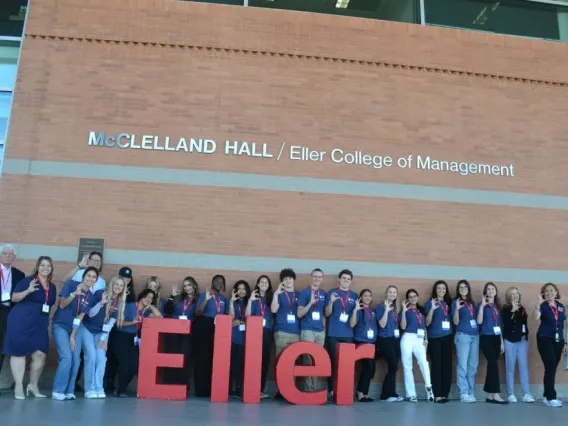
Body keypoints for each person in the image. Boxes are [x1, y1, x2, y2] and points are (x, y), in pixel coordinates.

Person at [2, 256, 57, 399]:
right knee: (18, 352)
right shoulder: (27, 281)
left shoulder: (52, 287)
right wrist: (28, 291)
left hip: (39, 323)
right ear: (37, 267)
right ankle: (19, 386)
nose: (46, 268)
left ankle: (33, 385)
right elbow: (14, 298)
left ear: (51, 269)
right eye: (43, 265)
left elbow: (48, 305)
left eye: (48, 266)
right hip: (21, 320)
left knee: (40, 354)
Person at [50, 267, 99, 400]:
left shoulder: (91, 297)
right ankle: (57, 390)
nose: (90, 279)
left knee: (76, 359)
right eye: (88, 275)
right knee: (66, 357)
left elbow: (80, 317)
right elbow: (61, 305)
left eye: (93, 277)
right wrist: (73, 294)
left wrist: (72, 337)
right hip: (60, 325)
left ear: (96, 280)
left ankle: (69, 390)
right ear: (83, 277)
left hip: (73, 330)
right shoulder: (71, 285)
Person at [80, 275, 128, 398]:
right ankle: (89, 388)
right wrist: (101, 303)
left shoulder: (120, 302)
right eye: (116, 284)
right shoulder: (100, 293)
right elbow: (90, 314)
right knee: (91, 356)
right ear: (112, 284)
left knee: (101, 358)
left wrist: (103, 340)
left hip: (100, 333)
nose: (118, 287)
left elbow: (110, 324)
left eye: (121, 285)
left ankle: (98, 387)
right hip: (87, 329)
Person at [114, 289, 161, 397]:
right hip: (122, 336)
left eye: (151, 298)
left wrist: (151, 306)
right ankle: (121, 390)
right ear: (141, 296)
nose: (148, 299)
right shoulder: (130, 306)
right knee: (125, 364)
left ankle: (121, 387)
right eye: (147, 296)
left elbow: (158, 315)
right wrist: (132, 322)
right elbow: (118, 323)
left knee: (134, 365)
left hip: (133, 338)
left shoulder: (146, 311)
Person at [324, 269, 357, 400]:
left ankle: (343, 389)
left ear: (351, 281)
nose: (346, 281)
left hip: (348, 334)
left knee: (346, 364)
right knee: (332, 362)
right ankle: (331, 389)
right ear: (339, 279)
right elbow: (326, 313)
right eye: (343, 278)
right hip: (333, 333)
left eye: (348, 279)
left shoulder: (354, 296)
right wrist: (331, 302)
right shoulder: (331, 293)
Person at [194, 275, 228, 397]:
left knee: (213, 359)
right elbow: (197, 313)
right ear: (212, 282)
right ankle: (200, 390)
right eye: (217, 281)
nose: (219, 284)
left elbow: (226, 315)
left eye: (222, 282)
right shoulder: (205, 295)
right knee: (202, 358)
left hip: (219, 328)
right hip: (204, 326)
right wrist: (206, 300)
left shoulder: (224, 299)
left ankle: (210, 388)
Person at [533, 282, 567, 407]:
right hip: (545, 338)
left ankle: (547, 396)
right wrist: (538, 304)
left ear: (556, 292)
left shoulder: (561, 306)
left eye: (552, 290)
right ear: (543, 293)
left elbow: (562, 325)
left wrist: (565, 343)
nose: (549, 293)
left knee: (551, 368)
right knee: (551, 365)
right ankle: (551, 396)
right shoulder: (543, 305)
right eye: (546, 291)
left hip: (558, 340)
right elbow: (536, 317)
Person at [163, 276, 198, 390]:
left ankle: (182, 385)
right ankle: (170, 383)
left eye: (189, 285)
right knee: (172, 355)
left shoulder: (198, 299)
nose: (187, 288)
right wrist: (172, 296)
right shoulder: (178, 297)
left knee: (185, 356)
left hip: (187, 332)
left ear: (194, 285)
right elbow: (167, 310)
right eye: (185, 286)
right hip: (174, 330)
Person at [104, 266, 135, 393]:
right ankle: (107, 381)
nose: (126, 280)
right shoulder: (112, 289)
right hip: (108, 327)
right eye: (123, 277)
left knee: (118, 357)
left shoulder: (131, 293)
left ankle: (114, 382)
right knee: (108, 355)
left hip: (120, 328)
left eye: (128, 278)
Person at [400, 289, 434, 403]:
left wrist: (426, 340)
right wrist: (404, 311)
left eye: (415, 296)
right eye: (410, 297)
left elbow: (424, 326)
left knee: (424, 362)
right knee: (407, 366)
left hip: (420, 339)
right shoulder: (405, 310)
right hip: (408, 338)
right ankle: (411, 394)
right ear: (407, 299)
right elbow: (403, 326)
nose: (413, 298)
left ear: (418, 297)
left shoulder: (421, 311)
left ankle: (429, 387)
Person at [271, 268, 300, 399]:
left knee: (294, 362)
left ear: (294, 280)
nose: (288, 281)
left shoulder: (299, 295)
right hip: (281, 331)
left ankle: (291, 388)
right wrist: (276, 294)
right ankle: (280, 389)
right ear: (282, 281)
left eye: (290, 278)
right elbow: (273, 309)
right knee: (281, 361)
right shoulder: (279, 294)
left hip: (296, 333)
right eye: (285, 279)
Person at [502, 286, 534, 403]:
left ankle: (526, 393)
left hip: (522, 341)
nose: (515, 295)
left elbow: (525, 325)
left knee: (523, 367)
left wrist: (526, 339)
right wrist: (512, 311)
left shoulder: (522, 309)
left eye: (517, 293)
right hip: (510, 341)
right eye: (513, 293)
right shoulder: (505, 309)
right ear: (509, 296)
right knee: (510, 367)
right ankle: (511, 393)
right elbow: (507, 325)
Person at [0, 244, 25, 394]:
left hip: (9, 312)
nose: (8, 256)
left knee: (3, 346)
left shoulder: (19, 274)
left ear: (14, 257)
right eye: (5, 253)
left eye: (11, 254)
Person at [297, 268, 326, 393]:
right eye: (315, 277)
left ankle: (314, 388)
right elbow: (299, 314)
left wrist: (323, 328)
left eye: (319, 277)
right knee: (308, 359)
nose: (317, 279)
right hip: (308, 330)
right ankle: (308, 389)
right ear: (311, 277)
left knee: (317, 360)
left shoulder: (323, 293)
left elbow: (323, 314)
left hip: (320, 331)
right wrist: (310, 303)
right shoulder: (305, 292)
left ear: (322, 279)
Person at [477, 282, 506, 404]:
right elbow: (479, 321)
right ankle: (496, 394)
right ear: (485, 292)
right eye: (488, 289)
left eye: (492, 289)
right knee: (493, 363)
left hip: (496, 338)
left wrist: (501, 342)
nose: (490, 291)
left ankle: (489, 395)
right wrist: (483, 306)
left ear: (495, 291)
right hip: (486, 337)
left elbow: (499, 326)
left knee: (492, 364)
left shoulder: (498, 306)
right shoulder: (482, 305)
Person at [246, 275, 274, 399]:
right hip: (254, 332)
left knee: (264, 361)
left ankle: (260, 390)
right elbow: (247, 315)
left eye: (266, 282)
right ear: (257, 284)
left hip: (267, 332)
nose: (263, 284)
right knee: (253, 361)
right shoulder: (253, 298)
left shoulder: (271, 298)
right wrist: (250, 301)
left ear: (268, 285)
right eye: (261, 282)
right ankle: (251, 388)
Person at [424, 280, 453, 403]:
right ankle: (437, 394)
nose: (441, 291)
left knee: (447, 366)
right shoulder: (429, 303)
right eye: (439, 288)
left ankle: (445, 394)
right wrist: (432, 309)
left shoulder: (448, 304)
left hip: (447, 337)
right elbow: (427, 323)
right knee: (436, 365)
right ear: (435, 290)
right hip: (434, 338)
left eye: (443, 288)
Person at [452, 279, 478, 403]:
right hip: (463, 336)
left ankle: (471, 391)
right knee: (462, 365)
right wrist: (457, 309)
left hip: (475, 336)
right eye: (460, 287)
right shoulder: (455, 302)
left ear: (468, 288)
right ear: (458, 289)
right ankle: (463, 392)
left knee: (472, 365)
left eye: (465, 287)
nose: (463, 289)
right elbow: (455, 322)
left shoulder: (472, 303)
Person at [349, 289, 377, 402]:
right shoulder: (358, 310)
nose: (367, 298)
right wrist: (355, 310)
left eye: (369, 296)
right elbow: (352, 324)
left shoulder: (372, 311)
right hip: (361, 341)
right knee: (368, 367)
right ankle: (360, 392)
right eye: (365, 295)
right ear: (361, 297)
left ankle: (365, 392)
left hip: (372, 342)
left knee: (370, 368)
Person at [376, 285, 402, 402]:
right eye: (390, 292)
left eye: (394, 292)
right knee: (393, 365)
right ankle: (385, 395)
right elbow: (382, 324)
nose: (392, 294)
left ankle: (392, 393)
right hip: (384, 338)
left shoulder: (396, 307)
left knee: (394, 366)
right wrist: (386, 310)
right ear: (386, 293)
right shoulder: (381, 306)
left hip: (395, 339)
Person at [228, 280, 251, 398]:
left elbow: (250, 318)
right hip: (233, 335)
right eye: (239, 288)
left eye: (244, 289)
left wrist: (241, 322)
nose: (241, 291)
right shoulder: (232, 301)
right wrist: (231, 302)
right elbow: (231, 318)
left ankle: (239, 388)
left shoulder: (250, 302)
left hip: (245, 337)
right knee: (232, 363)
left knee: (242, 364)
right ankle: (230, 388)